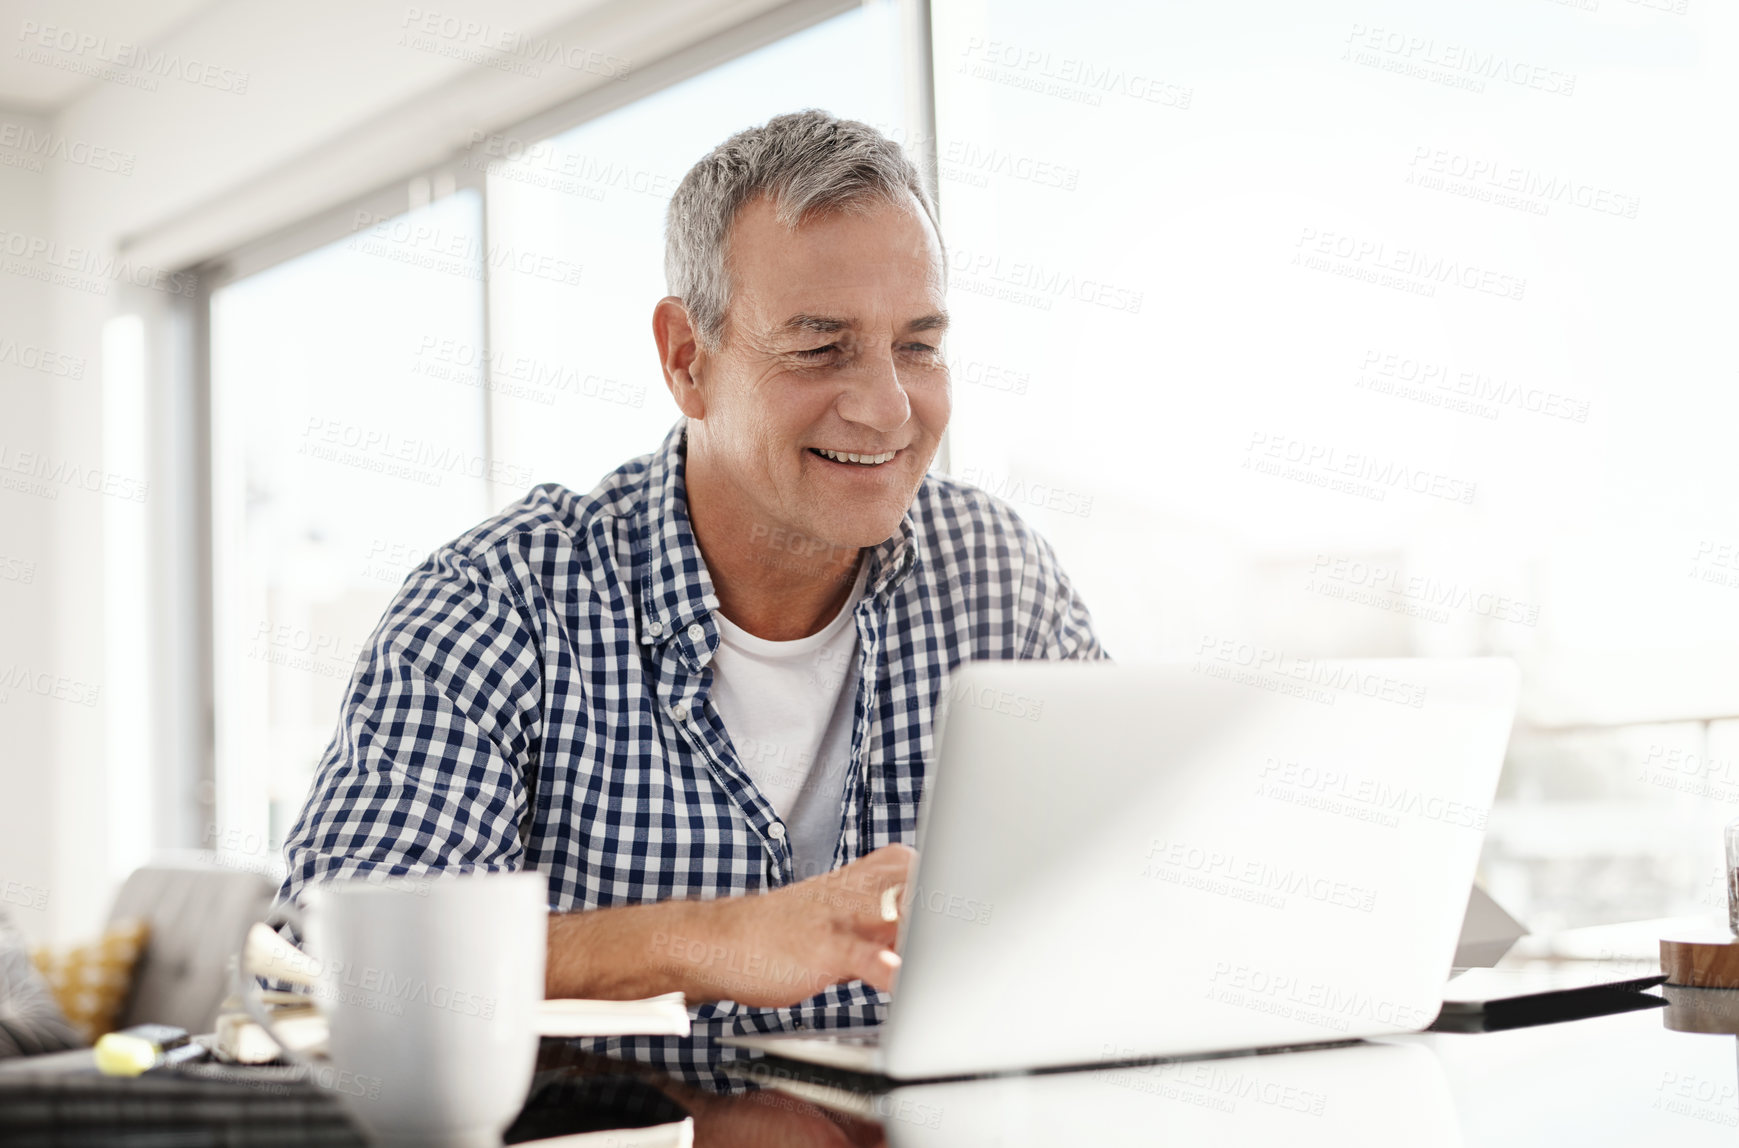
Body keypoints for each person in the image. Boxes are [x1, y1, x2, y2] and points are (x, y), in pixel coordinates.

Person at [276, 109, 1105, 1059]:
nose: (886, 407)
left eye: (917, 344)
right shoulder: (498, 603)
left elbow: (1137, 880)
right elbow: (321, 966)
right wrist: (726, 938)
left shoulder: (998, 580)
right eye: (818, 346)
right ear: (686, 360)